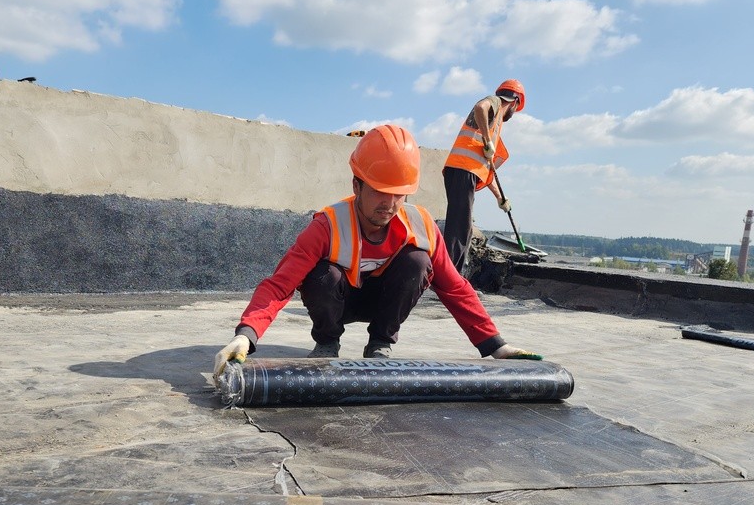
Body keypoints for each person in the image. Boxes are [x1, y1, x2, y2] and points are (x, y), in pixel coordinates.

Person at [212, 124, 540, 381]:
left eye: (399, 194)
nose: (390, 204)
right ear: (357, 186)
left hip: (386, 302)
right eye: (381, 192)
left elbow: (455, 288)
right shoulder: (327, 226)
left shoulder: (421, 226)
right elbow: (279, 285)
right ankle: (327, 343)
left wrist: (496, 346)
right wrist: (246, 337)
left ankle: (380, 344)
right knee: (320, 274)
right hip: (337, 302)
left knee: (418, 260)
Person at [443, 79, 525, 274]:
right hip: (463, 170)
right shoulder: (497, 102)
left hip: (461, 171)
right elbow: (480, 106)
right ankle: (451, 280)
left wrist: (499, 197)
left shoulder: (493, 126)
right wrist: (488, 141)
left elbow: (487, 168)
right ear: (514, 102)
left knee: (460, 227)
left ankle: (449, 277)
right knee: (460, 230)